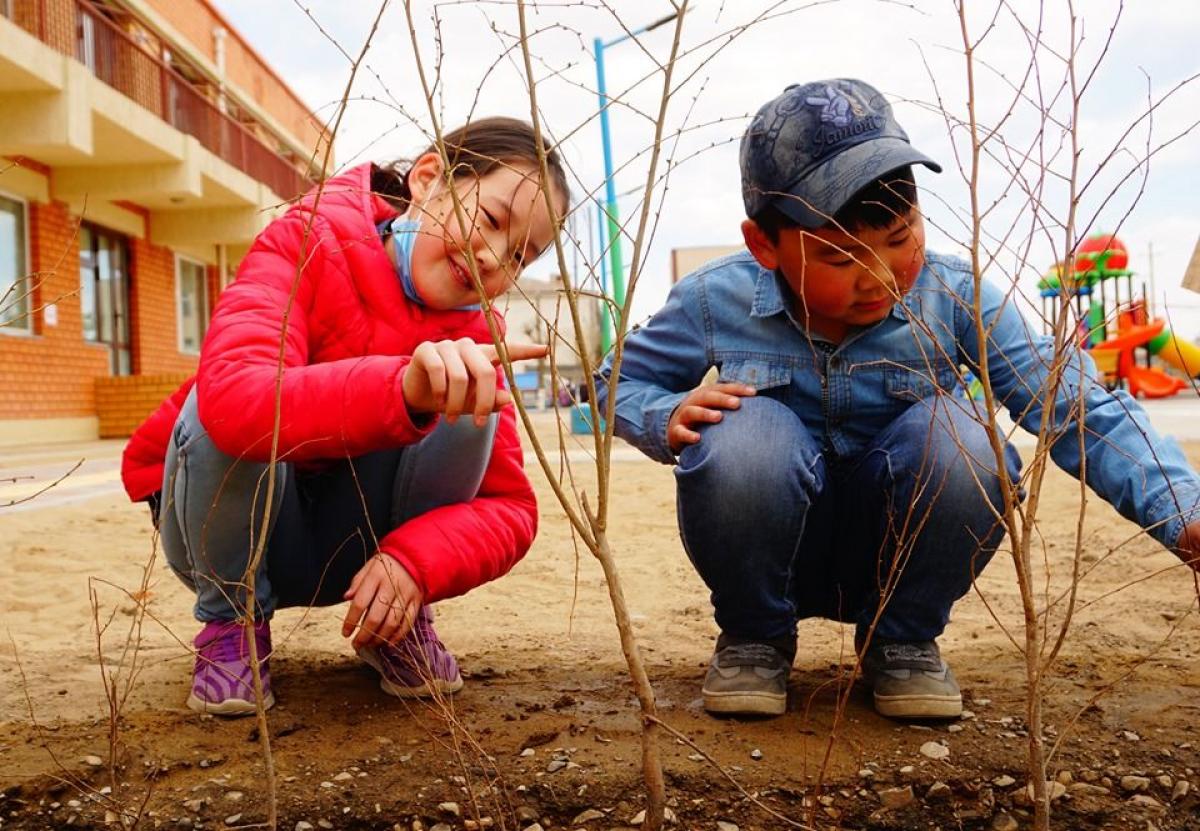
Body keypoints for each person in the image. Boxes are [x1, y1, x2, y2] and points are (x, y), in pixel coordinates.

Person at [595, 79, 1200, 720]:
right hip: (771, 550)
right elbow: (612, 384)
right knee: (743, 432)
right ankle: (755, 638)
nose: (881, 274)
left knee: (967, 439)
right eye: (841, 257)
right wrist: (662, 417)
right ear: (764, 246)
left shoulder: (956, 297)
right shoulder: (715, 299)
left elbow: (1078, 409)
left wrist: (1183, 512)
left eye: (899, 237)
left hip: (899, 551)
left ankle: (902, 642)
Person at [121, 117, 569, 716]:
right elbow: (232, 405)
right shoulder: (305, 240)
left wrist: (416, 563)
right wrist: (400, 390)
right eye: (489, 221)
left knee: (470, 396)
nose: (493, 257)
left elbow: (511, 508)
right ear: (429, 179)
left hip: (357, 556)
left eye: (520, 256)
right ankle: (231, 627)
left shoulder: (475, 335)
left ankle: (395, 622)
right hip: (231, 533)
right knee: (219, 392)